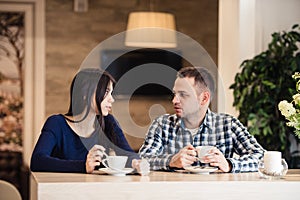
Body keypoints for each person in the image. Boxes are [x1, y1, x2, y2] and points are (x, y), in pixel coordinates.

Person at [139, 66, 265, 173]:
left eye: (183, 94)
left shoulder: (227, 124)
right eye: (175, 94)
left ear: (204, 98)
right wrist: (171, 161)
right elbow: (142, 159)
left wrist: (229, 164)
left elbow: (262, 157)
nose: (174, 101)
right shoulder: (162, 124)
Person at [30, 68, 149, 174]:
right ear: (85, 94)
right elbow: (37, 161)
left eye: (111, 93)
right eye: (106, 92)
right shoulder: (56, 123)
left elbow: (127, 153)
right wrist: (83, 166)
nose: (111, 99)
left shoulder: (108, 122)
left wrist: (136, 163)